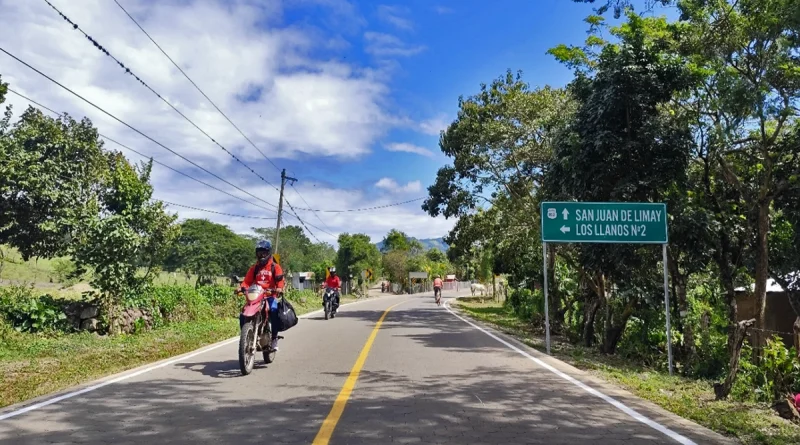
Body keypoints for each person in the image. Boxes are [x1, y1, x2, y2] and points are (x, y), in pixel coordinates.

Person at [239, 239, 285, 351]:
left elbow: (280, 280)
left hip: (270, 295)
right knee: (242, 314)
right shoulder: (254, 268)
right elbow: (247, 281)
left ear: (268, 253)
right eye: (259, 252)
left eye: (264, 252)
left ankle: (274, 338)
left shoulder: (275, 267)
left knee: (274, 311)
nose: (261, 255)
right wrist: (241, 288)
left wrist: (279, 288)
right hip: (256, 295)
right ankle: (246, 336)